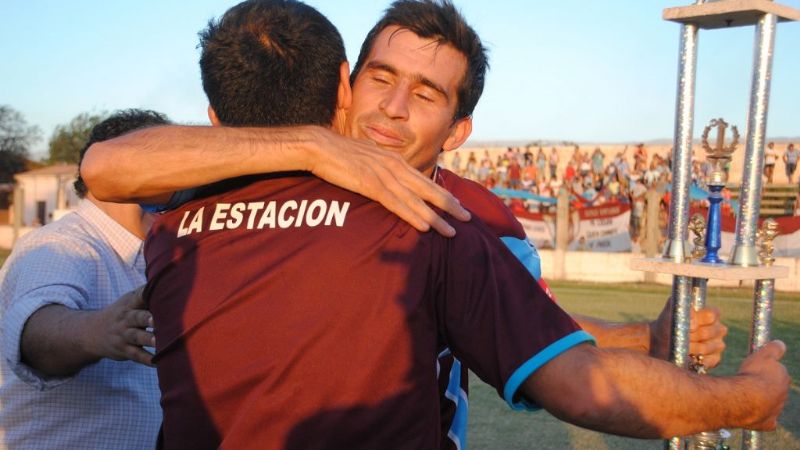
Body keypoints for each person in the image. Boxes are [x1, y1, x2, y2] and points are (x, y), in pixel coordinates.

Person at [82, 0, 778, 445]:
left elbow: (533, 330)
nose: (391, 109)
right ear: (345, 88)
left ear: (458, 128)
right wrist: (311, 143)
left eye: (426, 93)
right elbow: (106, 166)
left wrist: (643, 338)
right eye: (380, 80)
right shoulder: (199, 194)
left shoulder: (467, 222)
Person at [0, 110, 168, 449]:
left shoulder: (148, 255)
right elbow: (36, 331)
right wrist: (99, 330)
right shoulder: (61, 244)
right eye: (166, 167)